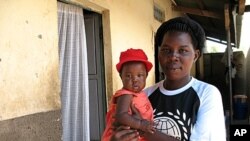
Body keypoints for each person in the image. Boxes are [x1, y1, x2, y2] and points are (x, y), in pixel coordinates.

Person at [110, 17, 226, 141]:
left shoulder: (206, 94)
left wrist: (144, 130)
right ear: (159, 54)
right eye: (166, 50)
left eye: (183, 50)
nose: (173, 57)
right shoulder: (144, 96)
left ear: (195, 55)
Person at [102, 48, 156, 141]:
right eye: (128, 76)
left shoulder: (140, 93)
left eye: (139, 75)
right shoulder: (125, 94)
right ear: (121, 76)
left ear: (146, 76)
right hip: (122, 135)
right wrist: (140, 124)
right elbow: (121, 115)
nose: (135, 80)